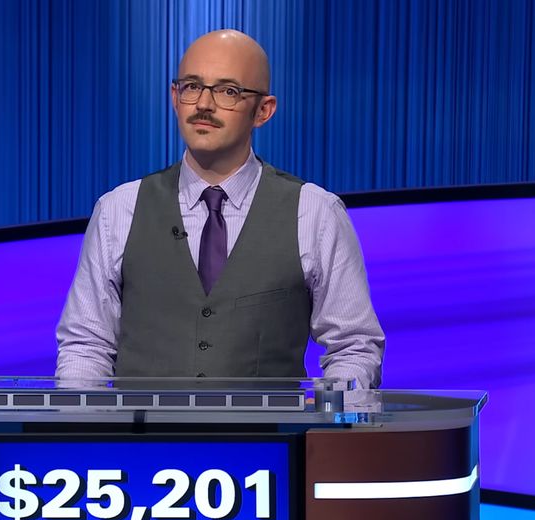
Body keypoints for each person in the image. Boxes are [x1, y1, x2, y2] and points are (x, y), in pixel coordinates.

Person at [55, 29, 384, 388]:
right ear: (175, 98)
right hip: (142, 428)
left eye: (228, 91)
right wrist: (81, 420)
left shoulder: (316, 213)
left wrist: (333, 414)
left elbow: (353, 347)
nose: (203, 105)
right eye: (192, 86)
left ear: (263, 111)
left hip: (270, 428)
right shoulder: (118, 210)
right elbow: (85, 347)